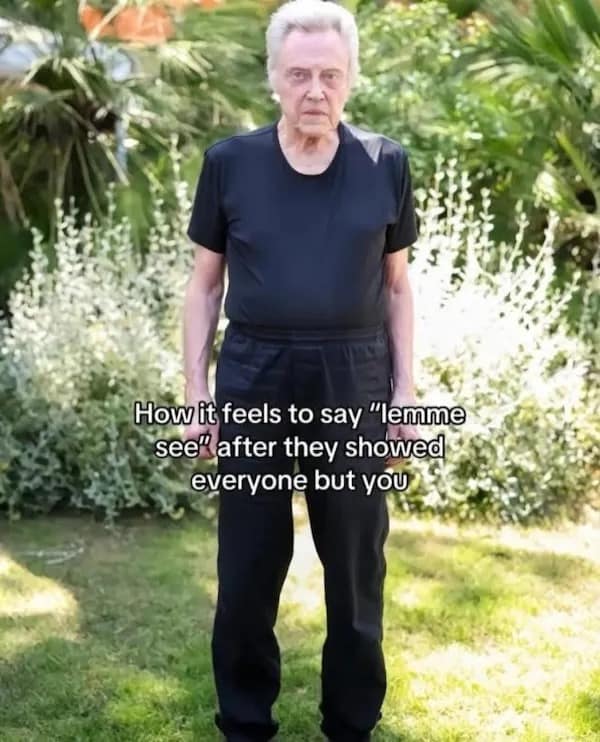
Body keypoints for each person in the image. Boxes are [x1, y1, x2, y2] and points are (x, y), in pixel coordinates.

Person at [182, 1, 420, 739]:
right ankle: (245, 720)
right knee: (248, 562)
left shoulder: (386, 163)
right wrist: (195, 393)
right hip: (255, 370)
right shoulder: (229, 163)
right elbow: (204, 287)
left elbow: (397, 287)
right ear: (273, 78)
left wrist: (406, 395)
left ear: (350, 78)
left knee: (354, 564)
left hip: (354, 376)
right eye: (299, 75)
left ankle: (350, 723)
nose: (315, 89)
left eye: (330, 75)